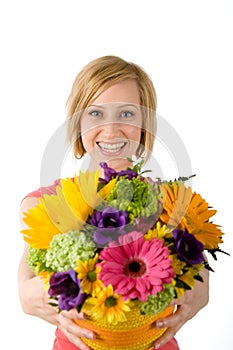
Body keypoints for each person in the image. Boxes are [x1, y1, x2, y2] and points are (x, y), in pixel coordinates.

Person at [18, 55, 209, 350]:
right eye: (95, 114)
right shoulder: (45, 205)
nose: (110, 130)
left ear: (145, 126)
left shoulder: (170, 203)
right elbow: (27, 284)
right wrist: (36, 294)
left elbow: (199, 268)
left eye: (127, 114)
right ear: (78, 126)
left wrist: (201, 286)